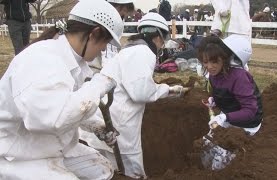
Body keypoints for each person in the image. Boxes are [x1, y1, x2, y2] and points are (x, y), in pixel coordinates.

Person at [0, 0, 124, 179]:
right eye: (105, 43)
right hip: (15, 154)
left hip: (46, 146)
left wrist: (97, 126)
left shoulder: (74, 63)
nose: (103, 49)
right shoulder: (41, 60)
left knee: (102, 169)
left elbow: (70, 103)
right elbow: (52, 118)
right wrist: (98, 86)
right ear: (94, 33)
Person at [100, 12, 186, 179]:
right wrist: (168, 90)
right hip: (120, 121)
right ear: (159, 37)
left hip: (109, 118)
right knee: (132, 171)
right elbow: (140, 92)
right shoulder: (144, 52)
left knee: (108, 170)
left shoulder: (130, 50)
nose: (162, 46)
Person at [198, 35, 263, 135]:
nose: (209, 67)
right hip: (229, 117)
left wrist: (224, 117)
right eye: (206, 62)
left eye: (214, 61)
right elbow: (227, 94)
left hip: (247, 124)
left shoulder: (239, 77)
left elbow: (250, 111)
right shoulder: (213, 75)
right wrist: (214, 100)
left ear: (224, 59)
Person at [88, 0, 135, 73]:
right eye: (124, 11)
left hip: (106, 63)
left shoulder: (117, 20)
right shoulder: (100, 16)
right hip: (94, 64)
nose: (124, 15)